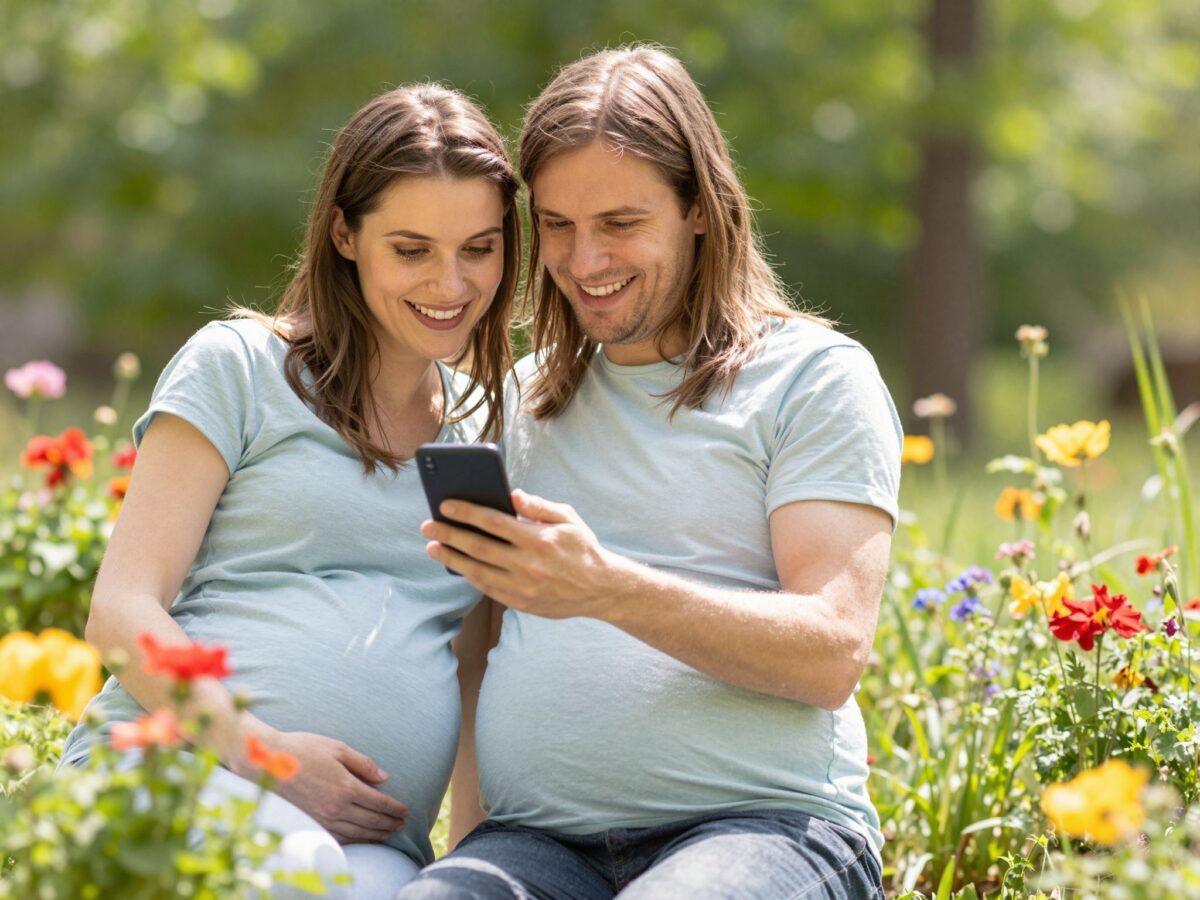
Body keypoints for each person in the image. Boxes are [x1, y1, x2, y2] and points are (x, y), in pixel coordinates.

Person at [400, 45, 901, 899]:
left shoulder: (813, 377)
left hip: (766, 827)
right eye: (556, 225)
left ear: (699, 209)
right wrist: (472, 842)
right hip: (538, 844)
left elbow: (832, 651)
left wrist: (607, 588)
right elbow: (480, 649)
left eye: (621, 225)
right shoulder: (523, 400)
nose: (584, 260)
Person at [58, 83, 521, 898]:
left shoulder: (487, 427)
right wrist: (265, 755)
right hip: (177, 773)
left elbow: (475, 660)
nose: (451, 284)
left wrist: (475, 857)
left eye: (479, 248)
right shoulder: (238, 366)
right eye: (411, 250)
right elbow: (122, 609)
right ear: (344, 233)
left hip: (368, 840)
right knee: (300, 875)